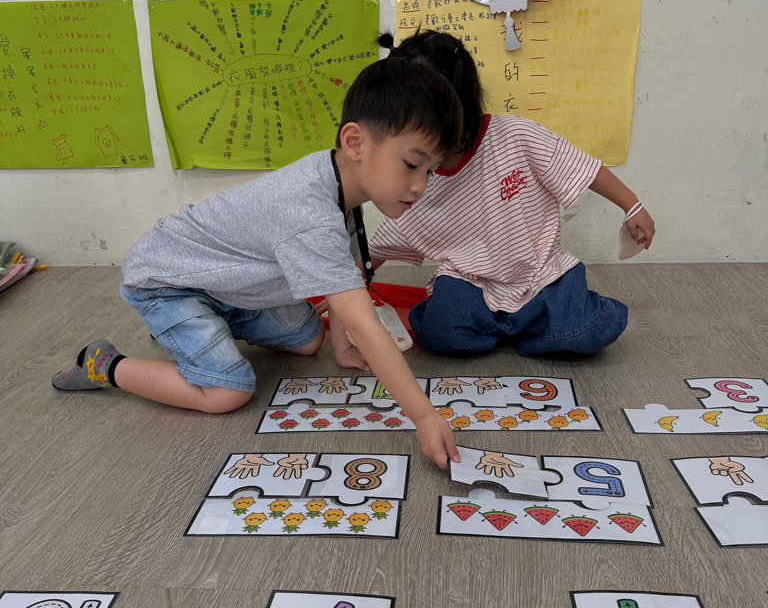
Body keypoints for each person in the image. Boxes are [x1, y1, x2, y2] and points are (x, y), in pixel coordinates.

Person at [52, 56, 465, 469]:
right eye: (412, 165)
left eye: (430, 171)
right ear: (355, 142)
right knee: (229, 391)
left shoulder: (341, 180)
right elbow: (363, 321)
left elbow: (347, 272)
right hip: (166, 280)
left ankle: (199, 327)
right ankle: (103, 365)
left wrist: (340, 347)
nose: (420, 186)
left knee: (308, 339)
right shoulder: (309, 212)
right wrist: (424, 416)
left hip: (229, 285)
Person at [367, 29, 656, 358]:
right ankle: (524, 330)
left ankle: (518, 327)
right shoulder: (418, 178)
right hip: (470, 281)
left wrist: (632, 206)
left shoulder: (515, 134)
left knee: (589, 330)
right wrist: (343, 290)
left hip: (541, 274)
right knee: (440, 332)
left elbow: (581, 166)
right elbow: (384, 240)